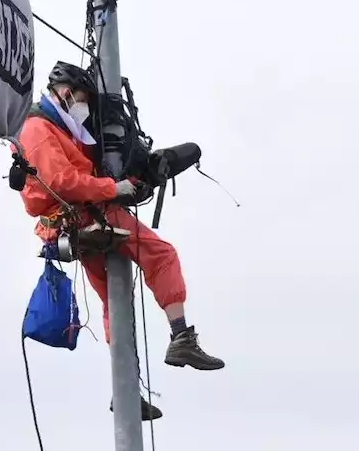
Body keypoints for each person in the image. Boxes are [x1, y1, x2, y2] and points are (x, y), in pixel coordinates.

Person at [12, 60, 225, 420]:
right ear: (66, 94)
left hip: (79, 217)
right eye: (82, 99)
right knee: (162, 255)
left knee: (116, 298)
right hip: (81, 214)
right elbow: (62, 180)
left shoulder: (59, 129)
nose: (84, 108)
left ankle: (125, 386)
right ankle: (181, 338)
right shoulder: (38, 129)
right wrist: (115, 187)